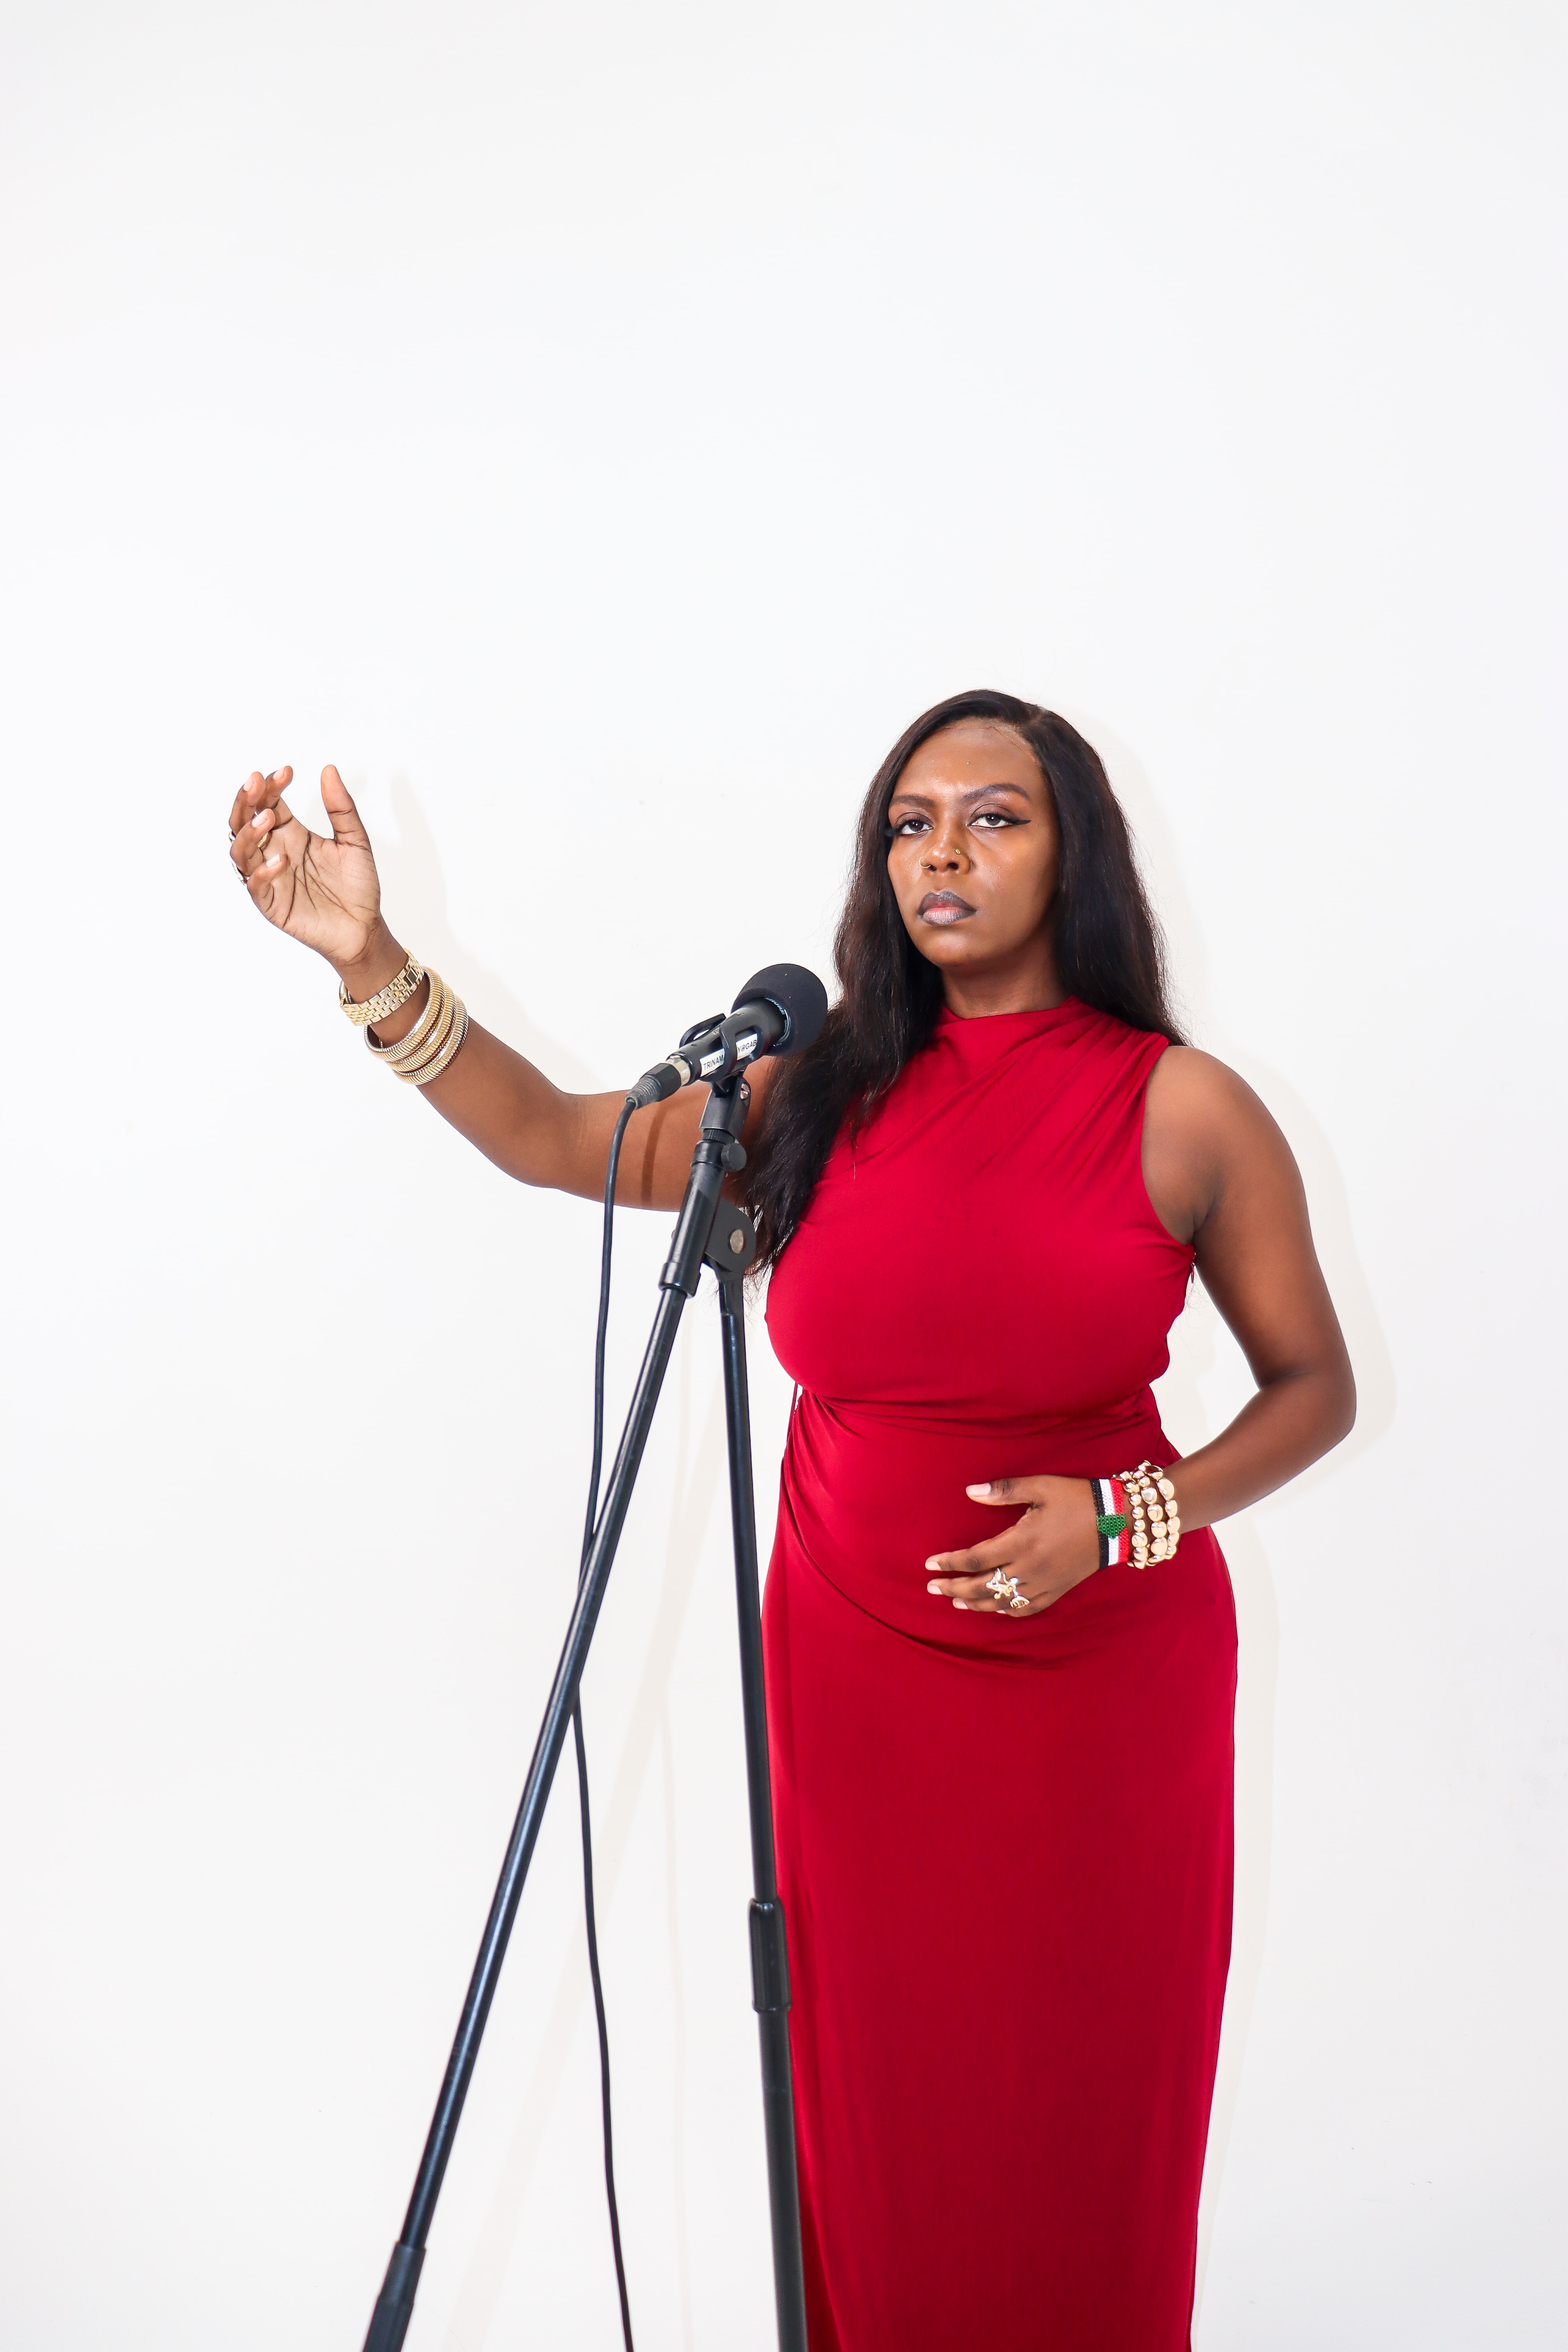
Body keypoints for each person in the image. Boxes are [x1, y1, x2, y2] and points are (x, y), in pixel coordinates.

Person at [228, 688, 1354, 2352]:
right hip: (852, 1698)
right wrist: (365, 962)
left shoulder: (1181, 1107)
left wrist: (1130, 1513)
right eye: (909, 824)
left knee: (1070, 2115)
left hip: (1099, 1707)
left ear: (1076, 856)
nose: (942, 855)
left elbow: (1311, 1386)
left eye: (993, 817)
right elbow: (554, 1141)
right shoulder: (813, 1093)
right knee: (871, 2116)